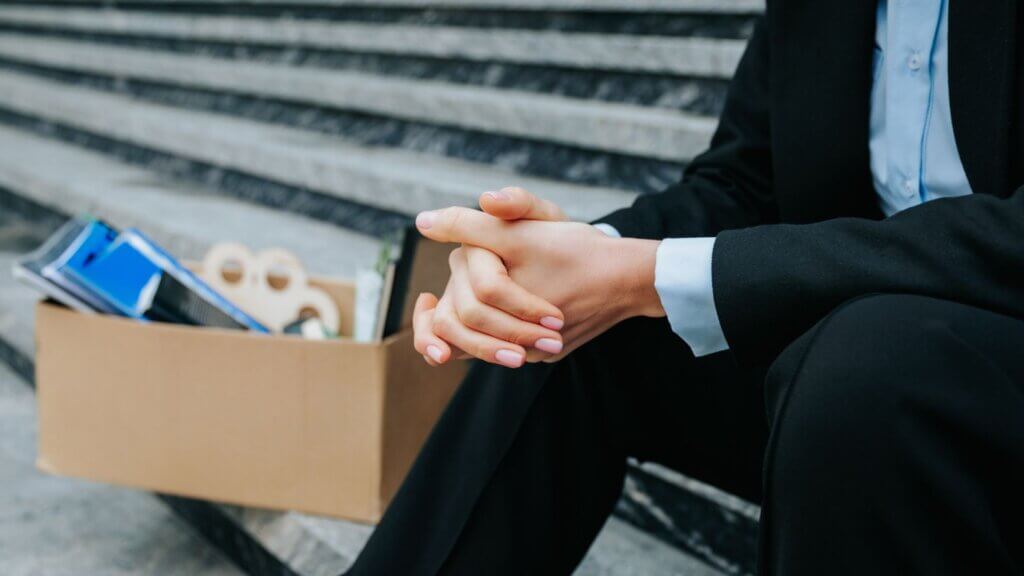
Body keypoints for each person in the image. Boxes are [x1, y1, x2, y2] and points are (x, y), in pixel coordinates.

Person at [347, 1, 1024, 574]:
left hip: (944, 376)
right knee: (555, 318)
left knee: (868, 368)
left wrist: (647, 275)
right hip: (847, 373)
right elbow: (745, 182)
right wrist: (588, 256)